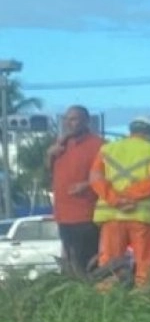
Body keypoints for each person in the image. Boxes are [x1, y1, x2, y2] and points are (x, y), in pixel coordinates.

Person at [89, 116, 150, 288]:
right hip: (142, 216)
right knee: (145, 264)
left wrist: (116, 200)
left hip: (112, 215)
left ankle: (106, 302)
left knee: (109, 264)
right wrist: (130, 197)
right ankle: (144, 302)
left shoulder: (107, 149)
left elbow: (95, 178)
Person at [46, 105, 103, 276]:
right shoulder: (61, 145)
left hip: (86, 215)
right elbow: (48, 171)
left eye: (74, 119)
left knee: (86, 262)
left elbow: (109, 175)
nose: (69, 123)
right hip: (63, 215)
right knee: (69, 263)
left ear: (86, 121)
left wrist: (86, 184)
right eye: (67, 119)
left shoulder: (98, 145)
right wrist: (50, 154)